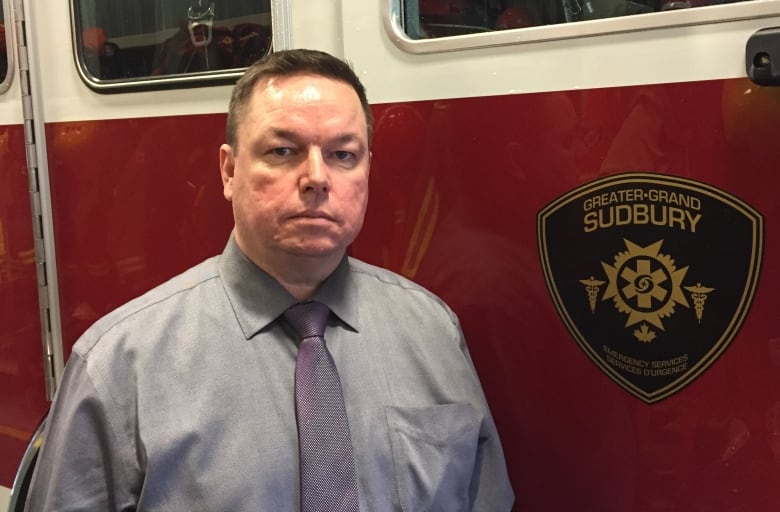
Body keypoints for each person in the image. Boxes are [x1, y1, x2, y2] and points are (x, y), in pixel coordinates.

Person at [24, 48, 514, 511]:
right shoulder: (118, 369)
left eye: (344, 154)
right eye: (282, 151)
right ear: (229, 170)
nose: (317, 177)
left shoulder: (432, 334)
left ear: (367, 171)